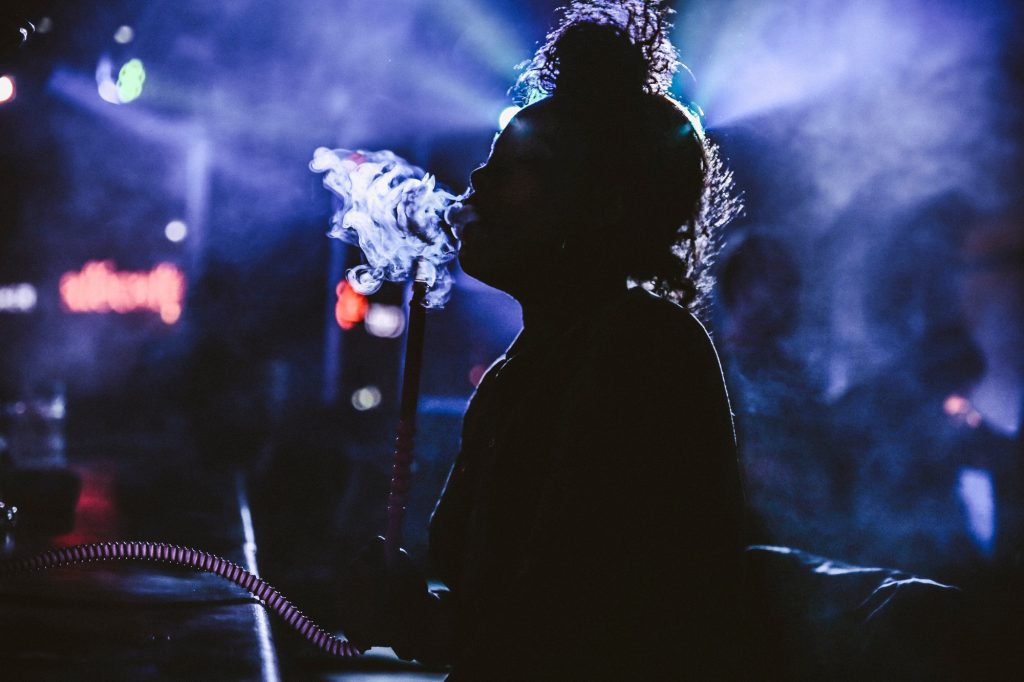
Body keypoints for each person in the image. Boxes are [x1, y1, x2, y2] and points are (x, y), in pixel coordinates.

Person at [340, 2, 745, 678]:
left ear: (596, 202)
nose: (477, 182)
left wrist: (420, 621)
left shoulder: (641, 351)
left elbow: (579, 627)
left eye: (514, 165)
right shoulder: (526, 368)